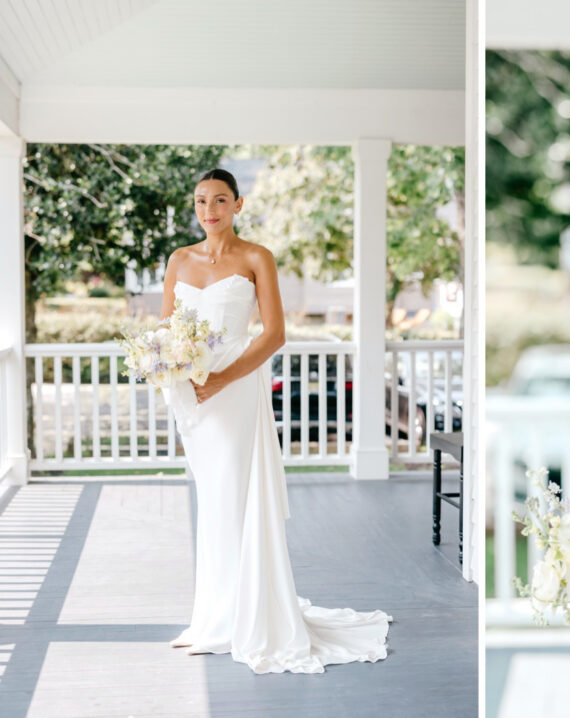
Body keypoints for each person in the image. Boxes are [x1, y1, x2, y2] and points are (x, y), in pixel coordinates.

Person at [159, 168, 391, 674]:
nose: (209, 210)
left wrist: (222, 379)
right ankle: (211, 617)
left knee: (233, 499)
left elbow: (275, 334)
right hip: (193, 399)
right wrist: (166, 363)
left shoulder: (256, 257)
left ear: (238, 205)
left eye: (220, 200)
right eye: (201, 201)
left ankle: (237, 620)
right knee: (211, 501)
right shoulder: (178, 260)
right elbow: (166, 329)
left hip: (236, 391)